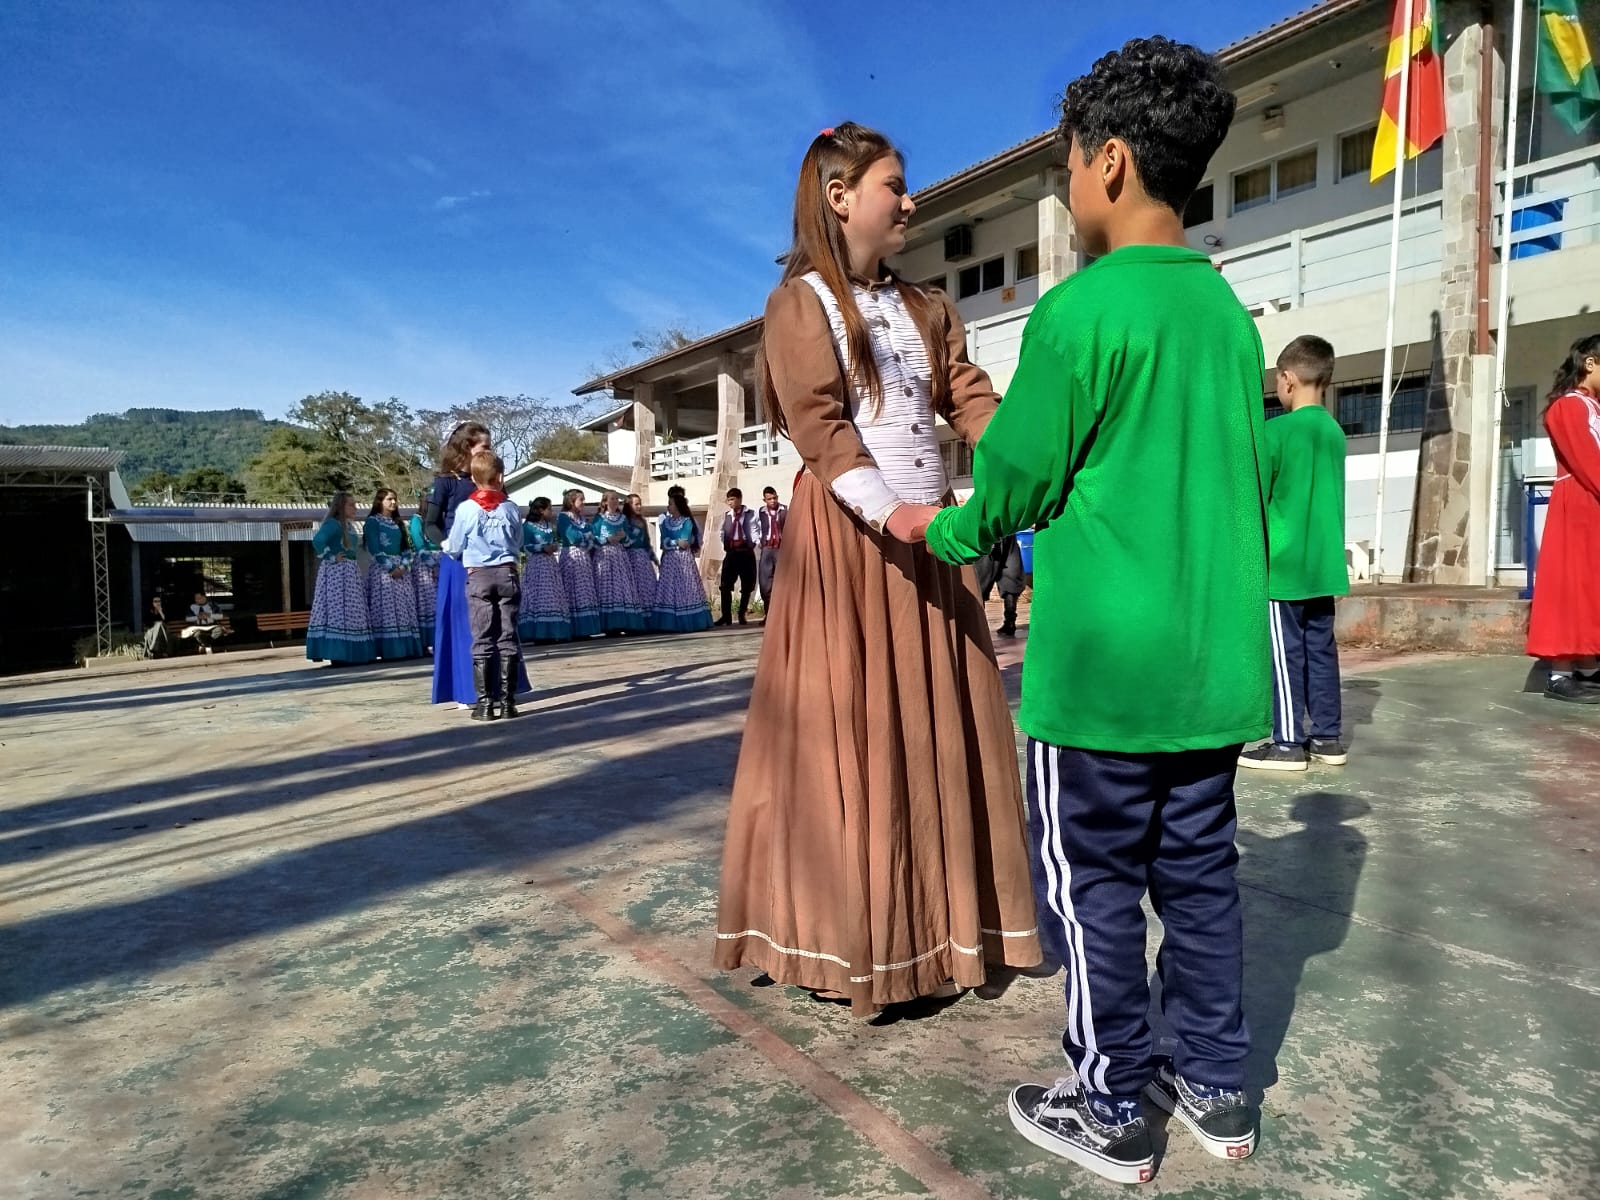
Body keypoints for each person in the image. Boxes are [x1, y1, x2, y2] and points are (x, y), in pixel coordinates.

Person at [918, 40, 1265, 1183]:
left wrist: (947, 534)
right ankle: (1216, 1083)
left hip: (1102, 684)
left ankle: (1110, 1102)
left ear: (1108, 161)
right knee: (1200, 881)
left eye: (1067, 163)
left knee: (1093, 891)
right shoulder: (1224, 314)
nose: (1067, 184)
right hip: (1209, 674)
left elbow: (1015, 476)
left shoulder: (1079, 312)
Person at [713, 122, 1041, 1020]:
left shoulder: (927, 306)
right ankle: (854, 942)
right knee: (853, 734)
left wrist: (1030, 462)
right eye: (894, 184)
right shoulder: (799, 304)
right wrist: (896, 514)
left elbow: (968, 396)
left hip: (931, 538)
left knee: (940, 731)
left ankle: (946, 932)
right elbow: (819, 425)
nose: (909, 200)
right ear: (839, 195)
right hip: (853, 545)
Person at [1239, 336, 1350, 770]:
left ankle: (1287, 743)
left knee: (1284, 656)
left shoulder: (1276, 432)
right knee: (1321, 650)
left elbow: (1255, 498)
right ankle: (1327, 737)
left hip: (1284, 567)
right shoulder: (1334, 432)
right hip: (1323, 567)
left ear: (1286, 379)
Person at [1526, 333, 1600, 703]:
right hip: (1578, 504)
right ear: (1590, 363)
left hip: (1593, 504)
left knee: (1590, 586)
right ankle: (1560, 673)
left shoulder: (1593, 407)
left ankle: (1587, 664)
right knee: (1571, 585)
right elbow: (1588, 461)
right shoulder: (1569, 406)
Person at [443, 451, 525, 721]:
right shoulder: (510, 508)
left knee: (482, 638)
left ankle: (485, 704)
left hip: (478, 575)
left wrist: (446, 546)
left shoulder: (467, 509)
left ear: (473, 479)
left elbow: (455, 546)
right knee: (507, 637)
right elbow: (519, 541)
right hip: (507, 573)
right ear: (500, 477)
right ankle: (508, 702)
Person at [307, 493, 377, 666]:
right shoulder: (333, 524)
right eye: (351, 505)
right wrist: (331, 557)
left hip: (350, 572)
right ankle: (339, 654)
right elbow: (318, 541)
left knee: (352, 610)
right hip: (337, 574)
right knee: (338, 610)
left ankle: (352, 653)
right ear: (340, 507)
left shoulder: (348, 526)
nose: (355, 508)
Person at [364, 488, 425, 661]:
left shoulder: (397, 522)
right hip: (383, 572)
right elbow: (375, 548)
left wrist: (404, 566)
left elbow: (406, 548)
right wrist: (391, 569)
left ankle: (406, 649)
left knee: (404, 608)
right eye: (389, 499)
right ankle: (389, 651)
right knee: (386, 610)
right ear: (380, 501)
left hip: (401, 572)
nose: (393, 502)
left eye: (395, 499)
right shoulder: (372, 521)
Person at [653, 487, 714, 632]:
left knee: (686, 587)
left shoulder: (687, 522)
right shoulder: (666, 522)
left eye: (671, 504)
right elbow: (663, 543)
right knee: (668, 590)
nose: (668, 506)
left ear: (678, 505)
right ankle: (668, 623)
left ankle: (689, 620)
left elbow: (685, 543)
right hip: (669, 561)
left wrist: (671, 542)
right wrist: (676, 542)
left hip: (684, 561)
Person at [593, 489, 647, 635]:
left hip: (620, 557)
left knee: (622, 588)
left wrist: (623, 537)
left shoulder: (622, 519)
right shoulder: (599, 518)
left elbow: (628, 542)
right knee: (607, 589)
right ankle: (610, 626)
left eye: (617, 499)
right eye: (612, 498)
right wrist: (607, 539)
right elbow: (593, 539)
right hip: (605, 556)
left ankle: (626, 623)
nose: (615, 501)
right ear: (605, 502)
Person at [518, 496, 572, 643]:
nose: (551, 511)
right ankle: (539, 633)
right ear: (541, 510)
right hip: (537, 566)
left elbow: (554, 541)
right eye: (549, 508)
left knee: (553, 595)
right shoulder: (528, 526)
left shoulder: (548, 525)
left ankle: (554, 631)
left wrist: (553, 546)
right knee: (538, 596)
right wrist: (541, 547)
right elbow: (523, 547)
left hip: (550, 565)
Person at [557, 489, 603, 638]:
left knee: (584, 590)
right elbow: (572, 537)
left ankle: (585, 629)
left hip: (584, 558)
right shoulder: (563, 517)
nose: (583, 503)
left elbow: (592, 536)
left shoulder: (582, 519)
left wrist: (586, 537)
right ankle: (574, 628)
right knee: (572, 590)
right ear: (571, 502)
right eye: (581, 500)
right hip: (572, 556)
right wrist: (586, 536)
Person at [716, 487, 758, 625]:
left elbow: (755, 530)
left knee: (747, 585)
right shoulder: (727, 516)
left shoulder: (750, 514)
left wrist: (753, 544)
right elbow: (722, 532)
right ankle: (726, 616)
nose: (730, 503)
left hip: (745, 552)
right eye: (728, 500)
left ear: (739, 499)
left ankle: (741, 614)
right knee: (725, 585)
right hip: (731, 553)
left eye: (732, 499)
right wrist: (726, 543)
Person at [973, 533, 1026, 638]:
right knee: (1009, 574)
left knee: (979, 583)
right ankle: (1009, 621)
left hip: (987, 535)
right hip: (1006, 532)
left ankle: (978, 625)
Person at [408, 499, 441, 653]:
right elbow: (419, 544)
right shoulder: (417, 520)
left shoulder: (440, 518)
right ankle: (427, 641)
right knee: (428, 604)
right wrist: (433, 565)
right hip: (425, 565)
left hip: (442, 560)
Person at [623, 493, 659, 627]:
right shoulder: (624, 521)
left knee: (647, 586)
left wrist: (653, 558)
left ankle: (649, 620)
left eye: (640, 504)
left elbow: (646, 542)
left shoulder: (642, 521)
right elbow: (625, 540)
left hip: (643, 559)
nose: (639, 507)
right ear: (629, 505)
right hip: (630, 558)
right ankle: (635, 621)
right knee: (634, 588)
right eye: (636, 504)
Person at [756, 486, 787, 617]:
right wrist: (758, 541)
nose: (773, 501)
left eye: (774, 498)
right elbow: (754, 527)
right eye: (769, 499)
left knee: (783, 581)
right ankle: (768, 614)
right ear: (765, 500)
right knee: (765, 583)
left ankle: (782, 615)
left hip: (781, 548)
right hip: (767, 548)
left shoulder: (785, 510)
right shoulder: (761, 512)